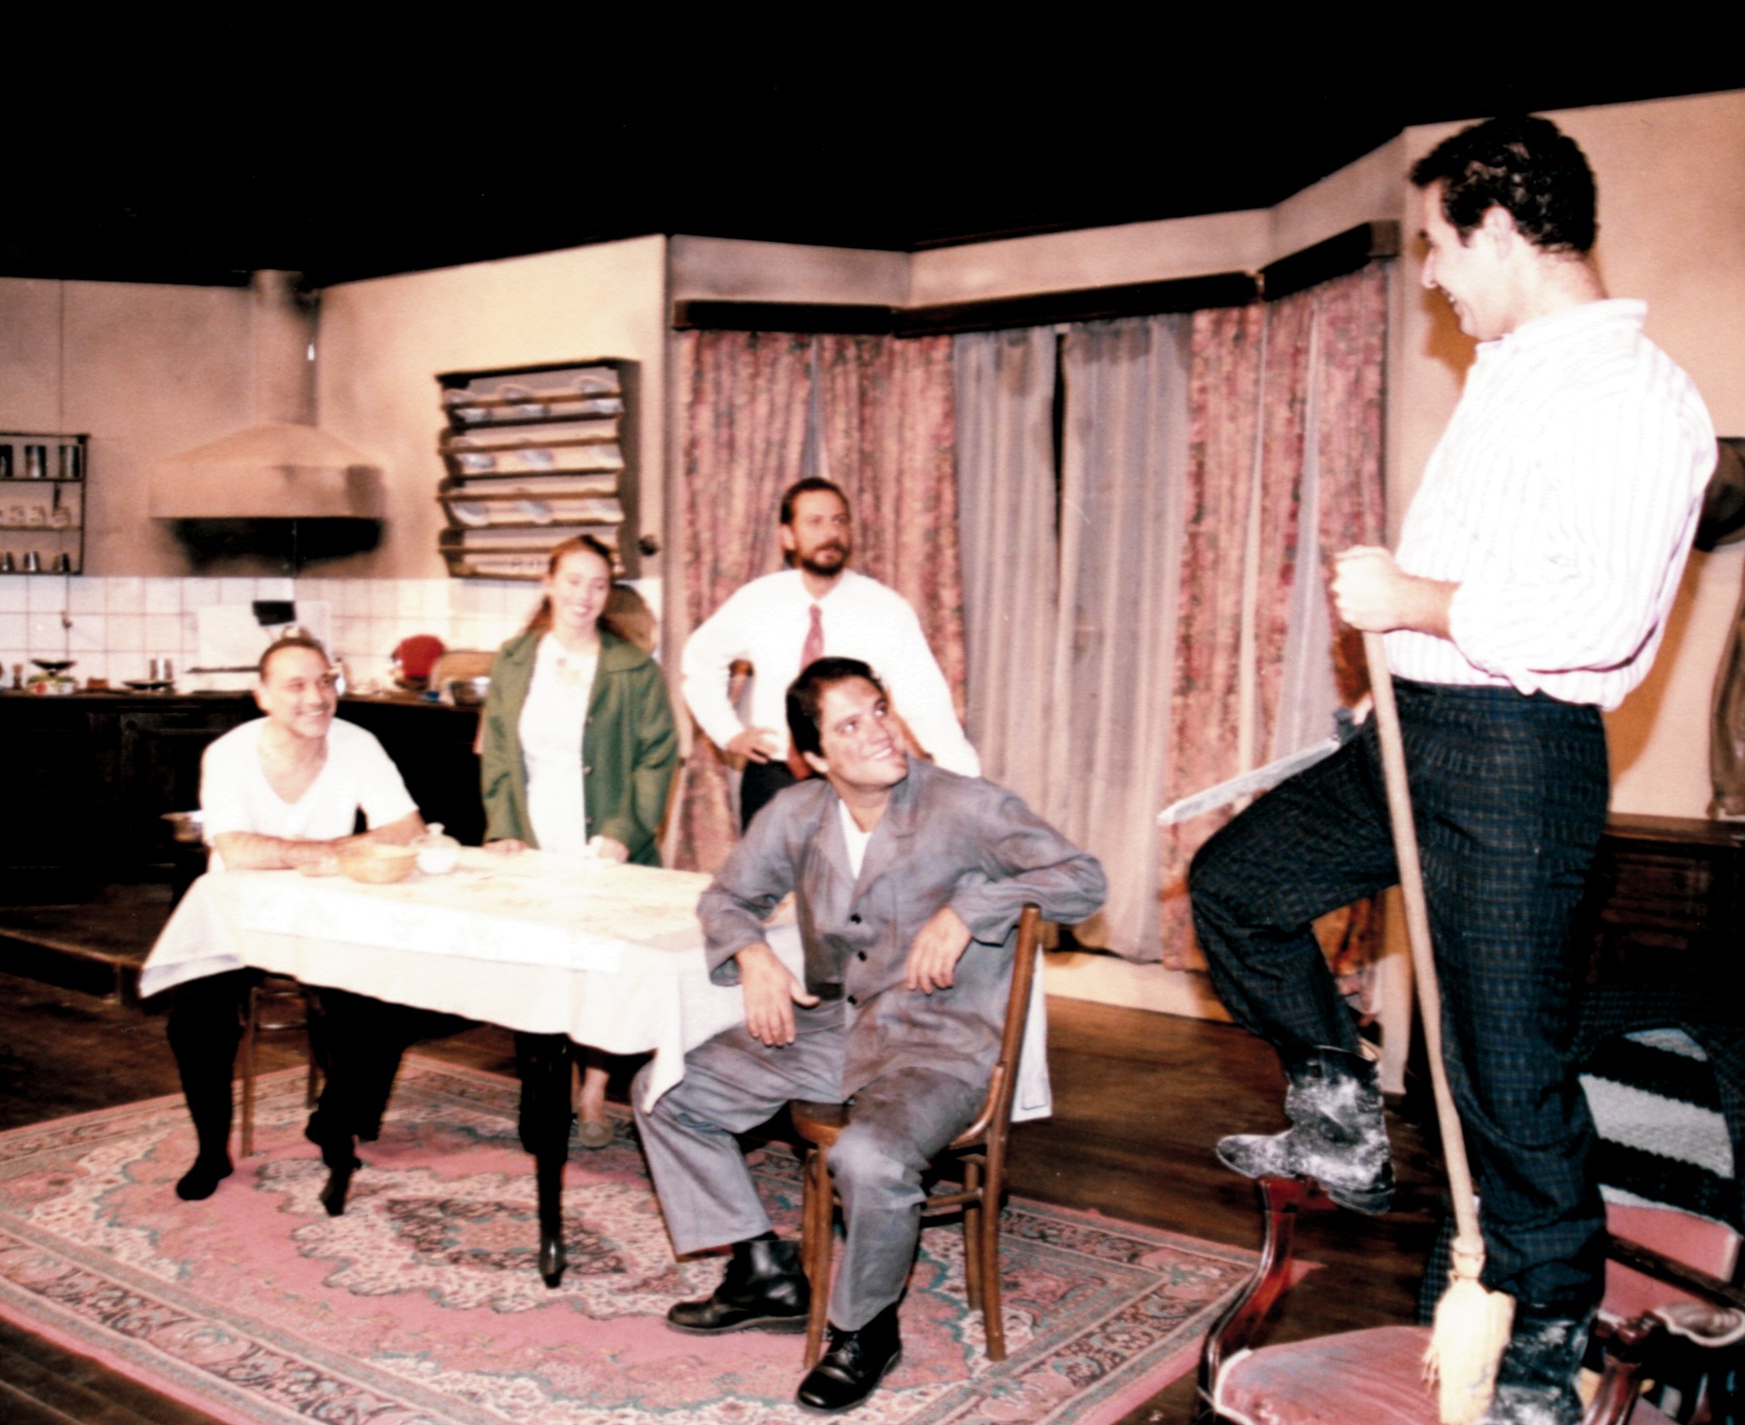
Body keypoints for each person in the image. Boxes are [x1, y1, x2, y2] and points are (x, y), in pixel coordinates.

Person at [1189, 115, 1714, 1425]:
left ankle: (1547, 1337)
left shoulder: (1635, 395)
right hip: (1410, 736)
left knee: (1502, 1074)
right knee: (1240, 887)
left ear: (1500, 226)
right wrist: (1400, 647)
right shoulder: (1512, 370)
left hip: (1516, 756)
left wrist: (1414, 598)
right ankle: (1338, 1107)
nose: (1429, 272)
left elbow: (1599, 618)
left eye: (1437, 243)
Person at [636, 657, 1104, 1413]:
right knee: (667, 1093)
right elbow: (726, 897)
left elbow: (1082, 878)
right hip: (839, 1027)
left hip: (941, 1045)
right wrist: (751, 953)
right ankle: (763, 1270)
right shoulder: (796, 812)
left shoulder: (966, 805)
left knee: (869, 1155)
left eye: (879, 709)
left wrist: (970, 911)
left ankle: (866, 1328)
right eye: (850, 725)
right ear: (816, 757)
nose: (879, 731)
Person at [164, 632, 426, 1214]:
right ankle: (211, 1152)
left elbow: (407, 828)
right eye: (297, 685)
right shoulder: (229, 753)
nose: (316, 697)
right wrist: (334, 849)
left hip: (325, 914)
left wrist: (316, 854)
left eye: (326, 681)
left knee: (388, 999)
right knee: (195, 1021)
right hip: (238, 917)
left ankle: (334, 1118)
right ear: (262, 696)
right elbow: (237, 850)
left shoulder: (357, 743)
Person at [481, 535, 679, 1145]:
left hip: (604, 839)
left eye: (598, 585)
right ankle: (546, 1086)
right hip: (535, 832)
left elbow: (658, 757)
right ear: (548, 583)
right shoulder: (515, 659)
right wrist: (503, 826)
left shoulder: (634, 669)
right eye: (573, 581)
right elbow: (497, 751)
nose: (584, 596)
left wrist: (624, 831)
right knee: (540, 965)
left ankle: (593, 1091)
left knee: (599, 971)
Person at [681, 477, 980, 828]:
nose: (830, 533)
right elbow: (699, 662)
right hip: (775, 778)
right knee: (767, 865)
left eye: (839, 521)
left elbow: (926, 701)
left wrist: (966, 790)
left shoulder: (885, 609)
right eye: (815, 522)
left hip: (858, 780)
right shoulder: (758, 601)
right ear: (787, 536)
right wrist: (727, 732)